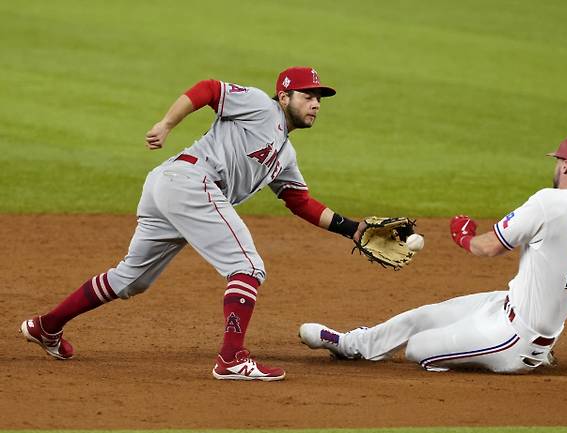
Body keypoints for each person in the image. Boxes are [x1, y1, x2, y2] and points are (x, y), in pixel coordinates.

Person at [21, 66, 368, 381]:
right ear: (284, 96)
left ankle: (47, 326)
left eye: (319, 98)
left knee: (131, 279)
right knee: (247, 266)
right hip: (190, 181)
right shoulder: (263, 107)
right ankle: (232, 358)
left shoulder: (286, 154)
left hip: (168, 186)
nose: (316, 104)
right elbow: (209, 89)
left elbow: (300, 201)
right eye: (308, 96)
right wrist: (166, 124)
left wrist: (351, 228)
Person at [299, 92, 567, 374]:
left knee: (419, 349)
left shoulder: (549, 203)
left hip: (516, 340)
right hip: (509, 307)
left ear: (563, 166)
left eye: (559, 160)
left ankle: (481, 353)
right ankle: (352, 345)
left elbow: (488, 247)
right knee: (425, 315)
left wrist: (463, 235)